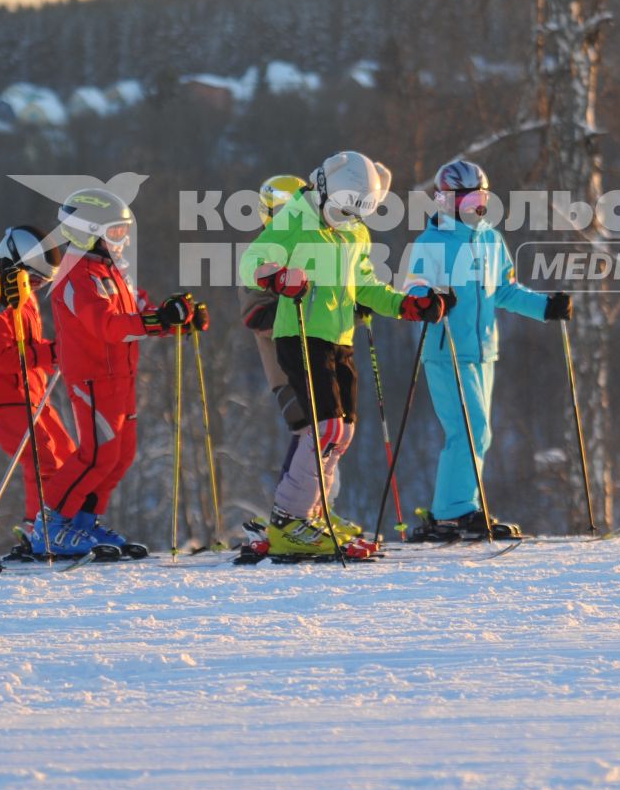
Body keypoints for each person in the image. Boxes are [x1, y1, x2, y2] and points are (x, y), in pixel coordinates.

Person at [240, 150, 450, 560]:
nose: (345, 217)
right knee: (324, 429)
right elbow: (253, 260)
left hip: (339, 337)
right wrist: (278, 277)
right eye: (340, 209)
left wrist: (406, 305)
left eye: (356, 212)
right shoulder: (295, 218)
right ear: (322, 190)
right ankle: (289, 520)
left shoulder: (354, 232)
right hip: (298, 331)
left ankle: (311, 516)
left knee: (343, 433)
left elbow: (365, 286)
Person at [403, 158, 570, 541]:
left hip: (483, 352)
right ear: (445, 200)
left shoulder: (490, 239)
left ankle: (455, 509)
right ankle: (456, 510)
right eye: (466, 199)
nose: (476, 206)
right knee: (470, 429)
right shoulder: (431, 242)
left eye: (480, 197)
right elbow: (413, 289)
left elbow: (506, 290)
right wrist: (429, 300)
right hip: (445, 350)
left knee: (479, 433)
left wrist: (546, 307)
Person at [46, 186, 196, 560]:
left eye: (124, 233)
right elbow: (110, 326)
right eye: (114, 233)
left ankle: (83, 521)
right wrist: (157, 320)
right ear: (87, 232)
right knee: (97, 455)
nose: (121, 241)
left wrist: (174, 318)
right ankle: (48, 525)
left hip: (121, 376)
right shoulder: (76, 276)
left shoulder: (110, 271)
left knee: (120, 455)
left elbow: (139, 310)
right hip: (93, 376)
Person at [0, 225, 80, 558]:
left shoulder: (23, 297)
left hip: (30, 390)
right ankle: (37, 530)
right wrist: (55, 353)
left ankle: (65, 526)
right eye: (33, 279)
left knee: (68, 455)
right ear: (13, 264)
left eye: (41, 283)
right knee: (42, 457)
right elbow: (6, 359)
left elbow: (29, 346)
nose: (35, 288)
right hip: (1, 391)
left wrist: (58, 350)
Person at [237, 174, 309, 454]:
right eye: (283, 211)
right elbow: (256, 316)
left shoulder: (312, 249)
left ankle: (320, 497)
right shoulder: (262, 252)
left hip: (321, 365)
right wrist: (297, 302)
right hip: (287, 374)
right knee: (311, 444)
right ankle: (292, 498)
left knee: (332, 445)